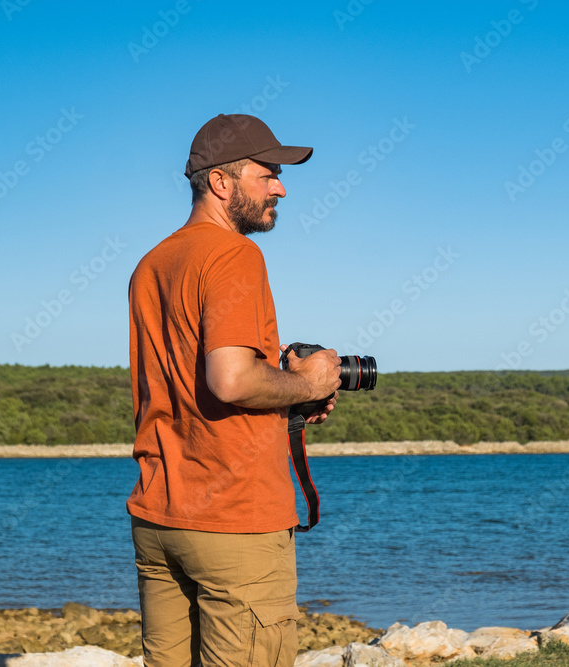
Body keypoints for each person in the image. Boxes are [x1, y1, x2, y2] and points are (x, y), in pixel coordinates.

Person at [127, 113, 342, 667]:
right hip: (235, 521)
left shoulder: (153, 263)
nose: (280, 186)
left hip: (161, 517)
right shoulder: (235, 255)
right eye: (266, 173)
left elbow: (187, 383)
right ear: (221, 183)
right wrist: (310, 379)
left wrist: (289, 397)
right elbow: (231, 380)